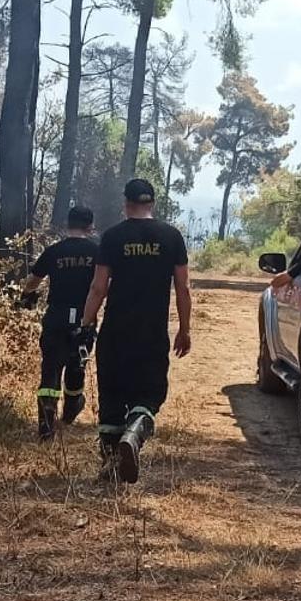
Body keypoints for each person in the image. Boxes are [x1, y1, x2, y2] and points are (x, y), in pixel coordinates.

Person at [74, 179, 191, 483]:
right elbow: (183, 288)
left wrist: (86, 325)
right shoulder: (171, 237)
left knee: (112, 396)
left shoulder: (112, 237)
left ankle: (112, 465)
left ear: (125, 204)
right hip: (152, 334)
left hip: (115, 332)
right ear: (152, 203)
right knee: (149, 393)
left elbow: (98, 288)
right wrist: (184, 329)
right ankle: (136, 431)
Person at [19, 207, 100, 439]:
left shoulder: (54, 251)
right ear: (90, 226)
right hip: (84, 318)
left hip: (55, 317)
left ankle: (46, 427)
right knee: (77, 366)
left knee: (51, 369)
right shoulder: (97, 252)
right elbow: (103, 284)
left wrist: (26, 296)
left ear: (68, 224)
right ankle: (71, 409)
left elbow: (34, 280)